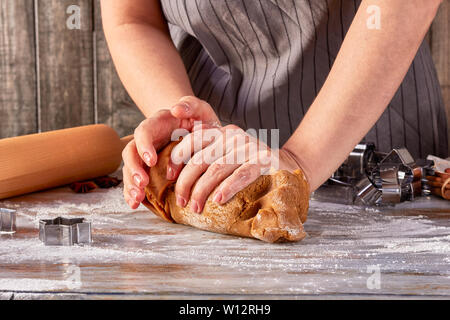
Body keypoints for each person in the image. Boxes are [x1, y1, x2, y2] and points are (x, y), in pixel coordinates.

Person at [101, 0, 447, 211]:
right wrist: (188, 127)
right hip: (221, 185)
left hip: (377, 167)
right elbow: (133, 18)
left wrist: (298, 163)